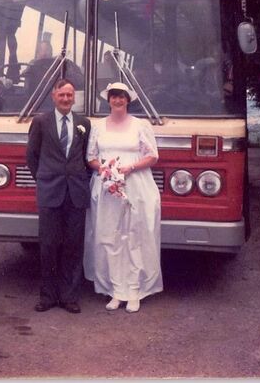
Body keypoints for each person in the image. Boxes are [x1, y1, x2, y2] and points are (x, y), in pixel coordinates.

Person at [84, 82, 162, 313]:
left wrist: (130, 167)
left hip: (136, 186)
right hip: (107, 188)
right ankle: (116, 290)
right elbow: (91, 157)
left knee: (135, 236)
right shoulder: (98, 126)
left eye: (121, 97)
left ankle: (135, 291)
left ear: (128, 100)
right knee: (110, 237)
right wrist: (104, 169)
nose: (117, 100)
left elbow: (152, 156)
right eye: (113, 96)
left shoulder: (140, 125)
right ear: (108, 100)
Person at [26, 78, 92, 314]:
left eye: (69, 95)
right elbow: (32, 156)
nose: (65, 99)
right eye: (61, 95)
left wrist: (78, 178)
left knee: (74, 245)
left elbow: (86, 156)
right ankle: (48, 296)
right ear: (53, 96)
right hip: (50, 191)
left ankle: (69, 297)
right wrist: (44, 179)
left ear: (74, 98)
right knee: (48, 245)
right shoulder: (40, 122)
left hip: (76, 192)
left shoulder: (84, 123)